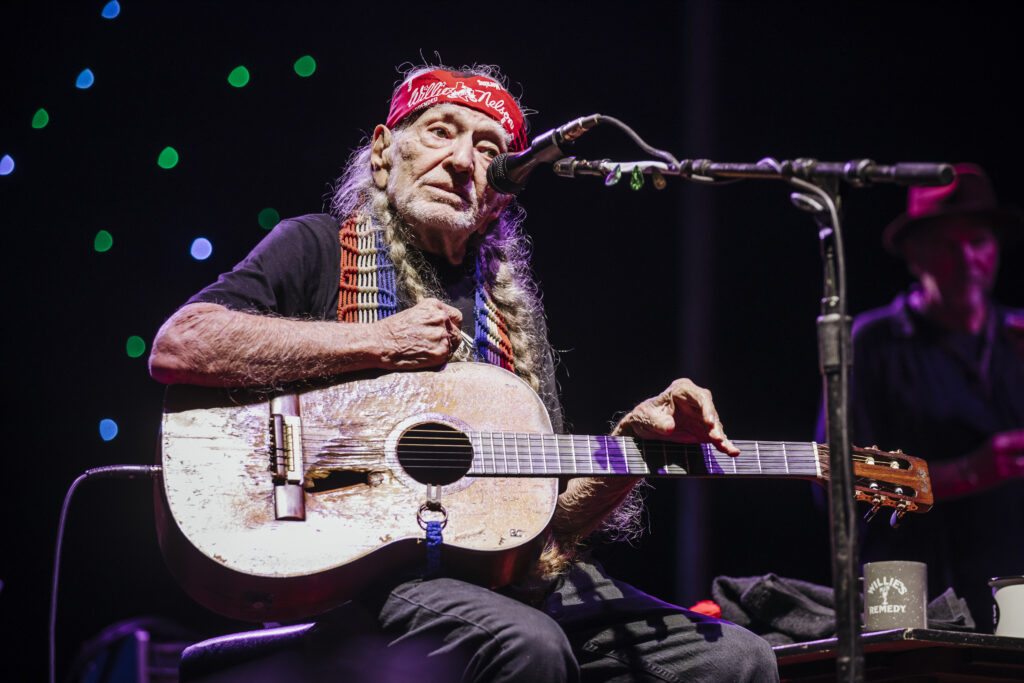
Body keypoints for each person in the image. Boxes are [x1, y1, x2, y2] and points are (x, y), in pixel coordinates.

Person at [150, 63, 779, 681]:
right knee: (527, 645)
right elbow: (180, 345)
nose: (461, 160)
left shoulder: (513, 320)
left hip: (504, 584)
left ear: (502, 190)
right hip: (363, 573)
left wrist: (629, 453)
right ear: (383, 152)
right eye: (440, 131)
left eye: (488, 150)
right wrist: (377, 342)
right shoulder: (315, 246)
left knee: (737, 658)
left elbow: (545, 525)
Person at [835, 163, 1024, 630]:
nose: (965, 259)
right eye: (945, 244)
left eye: (978, 241)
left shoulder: (1018, 338)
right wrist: (969, 471)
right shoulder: (872, 343)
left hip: (1012, 588)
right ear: (914, 255)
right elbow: (841, 479)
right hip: (910, 592)